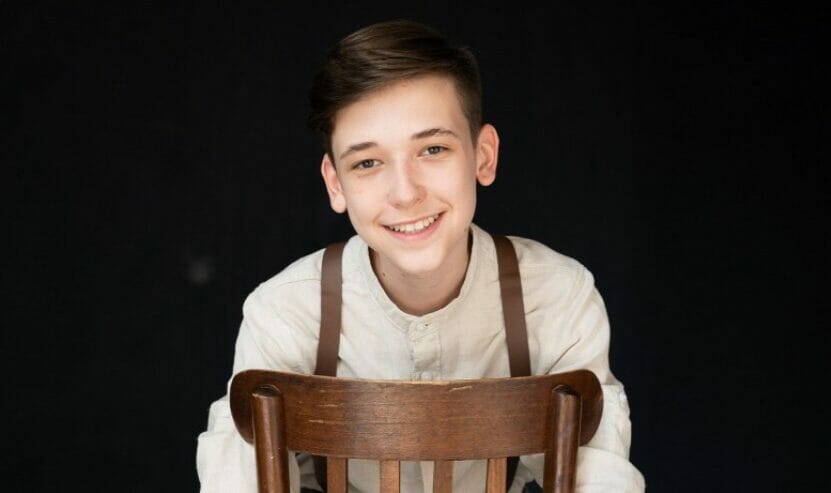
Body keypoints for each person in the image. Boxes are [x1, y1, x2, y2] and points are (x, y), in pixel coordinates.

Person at [196, 19, 645, 492]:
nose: (405, 193)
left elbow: (600, 477)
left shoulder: (556, 297)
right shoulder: (285, 312)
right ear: (335, 183)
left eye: (432, 149)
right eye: (367, 163)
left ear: (483, 156)